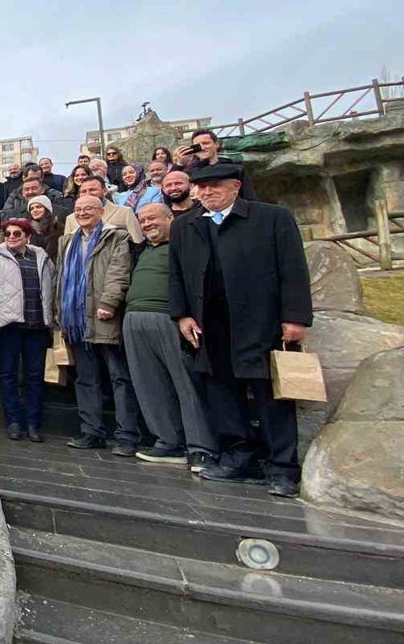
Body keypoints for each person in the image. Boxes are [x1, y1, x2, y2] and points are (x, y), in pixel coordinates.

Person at [168, 165, 312, 498]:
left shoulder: (272, 218)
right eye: (200, 188)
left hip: (259, 322)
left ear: (236, 186)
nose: (206, 193)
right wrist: (182, 315)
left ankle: (282, 467)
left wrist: (295, 318)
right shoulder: (185, 225)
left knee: (270, 393)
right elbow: (175, 274)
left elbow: (293, 269)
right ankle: (238, 456)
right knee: (221, 391)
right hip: (209, 323)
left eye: (214, 186)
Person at [125, 203, 217, 469]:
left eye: (152, 218)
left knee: (186, 382)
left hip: (170, 318)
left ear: (170, 218)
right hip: (135, 319)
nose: (147, 224)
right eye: (142, 221)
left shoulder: (186, 246)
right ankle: (168, 440)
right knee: (149, 384)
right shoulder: (142, 250)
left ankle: (201, 446)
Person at [56, 195, 139, 455]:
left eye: (88, 209)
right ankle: (91, 431)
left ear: (101, 211)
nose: (82, 213)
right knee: (85, 379)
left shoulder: (117, 237)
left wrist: (110, 303)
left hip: (104, 316)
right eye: (78, 209)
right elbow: (60, 278)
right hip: (76, 321)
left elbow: (118, 272)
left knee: (119, 377)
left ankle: (127, 436)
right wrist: (60, 312)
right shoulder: (66, 241)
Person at [0, 218, 55, 442]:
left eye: (17, 234)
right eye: (9, 233)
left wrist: (51, 318)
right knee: (8, 375)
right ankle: (13, 421)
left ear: (27, 236)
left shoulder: (42, 258)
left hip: (37, 326)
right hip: (8, 326)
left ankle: (33, 423)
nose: (12, 237)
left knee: (34, 377)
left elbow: (52, 286)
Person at [174, 129, 259, 200]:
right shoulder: (189, 171)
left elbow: (248, 196)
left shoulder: (235, 168)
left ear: (216, 144)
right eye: (198, 146)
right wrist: (180, 165)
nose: (203, 148)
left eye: (206, 143)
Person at [64, 176, 142, 243]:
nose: (88, 194)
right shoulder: (71, 219)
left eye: (92, 190)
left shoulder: (125, 213)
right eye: (84, 191)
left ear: (104, 191)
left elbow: (137, 242)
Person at [27, 195, 64, 263]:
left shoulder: (57, 227)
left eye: (38, 207)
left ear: (47, 209)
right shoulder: (27, 229)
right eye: (32, 208)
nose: (35, 210)